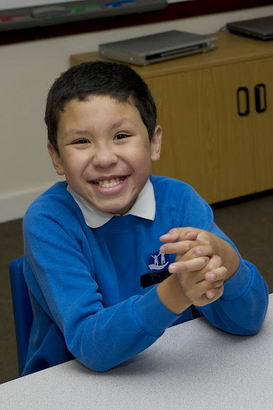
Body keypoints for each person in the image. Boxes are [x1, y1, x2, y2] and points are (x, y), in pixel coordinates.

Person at [22, 61, 268, 376]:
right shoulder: (49, 221)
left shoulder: (180, 201)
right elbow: (91, 348)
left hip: (168, 370)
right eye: (81, 141)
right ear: (56, 157)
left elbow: (247, 321)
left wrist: (230, 264)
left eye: (121, 135)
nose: (105, 158)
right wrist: (176, 292)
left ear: (153, 142)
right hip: (73, 382)